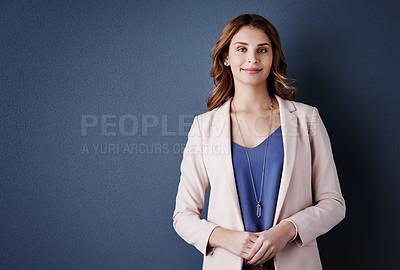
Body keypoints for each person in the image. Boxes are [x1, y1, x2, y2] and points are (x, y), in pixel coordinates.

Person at [172, 14, 345, 270]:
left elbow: (334, 204)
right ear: (226, 58)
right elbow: (182, 216)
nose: (252, 58)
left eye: (262, 49)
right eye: (241, 49)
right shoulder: (204, 127)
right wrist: (228, 239)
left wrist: (288, 230)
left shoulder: (307, 119)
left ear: (273, 56)